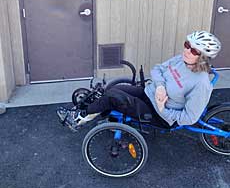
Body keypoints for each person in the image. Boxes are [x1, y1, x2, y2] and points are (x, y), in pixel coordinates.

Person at [57, 30, 221, 131]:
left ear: (203, 57)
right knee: (114, 90)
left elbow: (190, 118)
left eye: (193, 50)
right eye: (187, 44)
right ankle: (99, 114)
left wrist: (164, 110)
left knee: (113, 97)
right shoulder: (181, 60)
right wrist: (160, 87)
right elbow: (157, 69)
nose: (186, 50)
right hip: (149, 93)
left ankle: (78, 118)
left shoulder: (201, 84)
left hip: (160, 114)